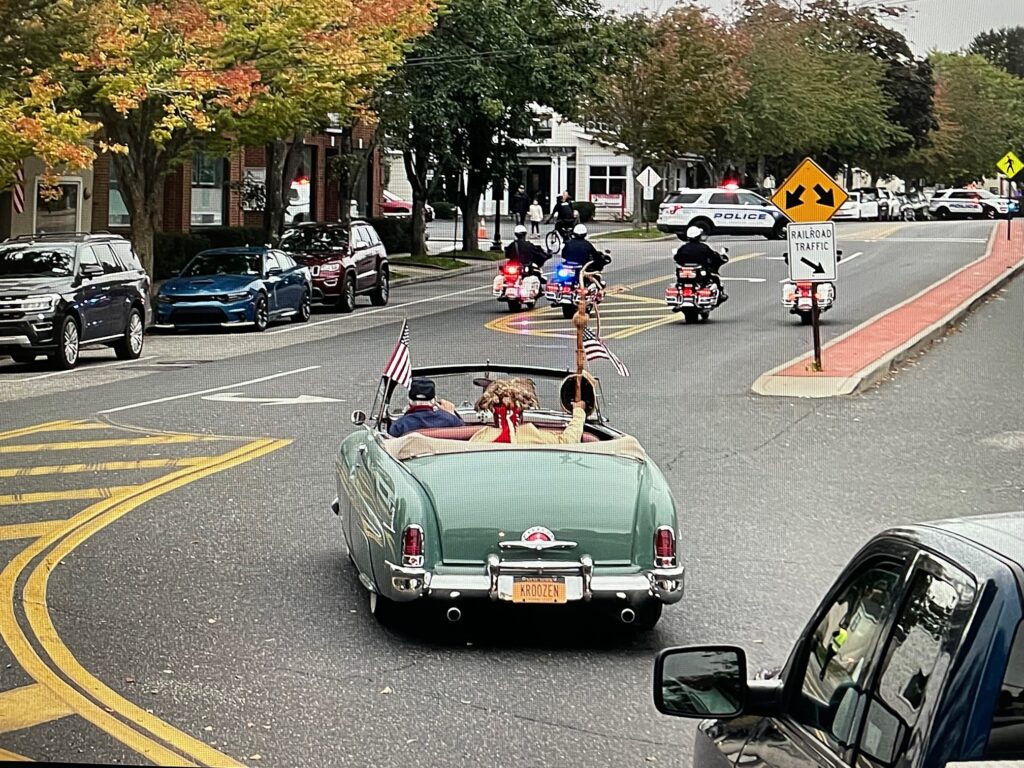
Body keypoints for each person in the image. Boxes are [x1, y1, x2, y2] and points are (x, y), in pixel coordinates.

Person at [469, 378, 586, 444]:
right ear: (520, 412)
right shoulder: (532, 435)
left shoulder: (481, 438)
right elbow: (568, 441)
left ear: (493, 410)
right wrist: (579, 412)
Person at [388, 378, 465, 437]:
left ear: (410, 401)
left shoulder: (399, 425)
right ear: (434, 401)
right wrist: (451, 414)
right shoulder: (450, 420)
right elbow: (463, 430)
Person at [673, 225, 728, 304]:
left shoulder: (683, 248)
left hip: (684, 274)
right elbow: (713, 256)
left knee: (679, 283)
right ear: (699, 236)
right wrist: (720, 258)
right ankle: (721, 295)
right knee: (715, 278)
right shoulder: (703, 247)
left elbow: (676, 258)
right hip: (700, 273)